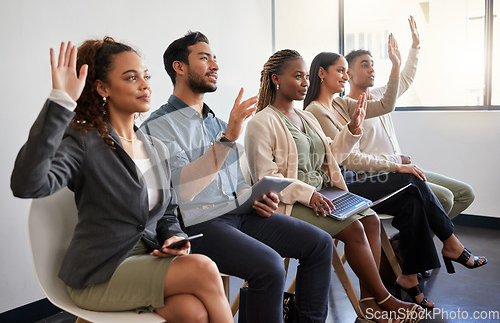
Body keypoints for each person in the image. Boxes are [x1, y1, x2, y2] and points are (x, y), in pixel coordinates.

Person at [11, 38, 233, 323]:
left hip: (146, 260)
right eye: (131, 77)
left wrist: (174, 237)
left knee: (192, 312)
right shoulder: (83, 141)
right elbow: (27, 184)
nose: (145, 84)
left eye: (146, 76)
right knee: (203, 268)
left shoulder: (155, 147)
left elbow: (167, 212)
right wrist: (61, 102)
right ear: (103, 88)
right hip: (99, 272)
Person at [141, 31, 334, 323]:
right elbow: (184, 191)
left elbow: (239, 184)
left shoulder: (217, 122)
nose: (214, 65)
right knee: (269, 265)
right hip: (196, 222)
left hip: (239, 213)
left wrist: (260, 198)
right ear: (179, 67)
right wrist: (228, 138)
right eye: (204, 58)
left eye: (215, 58)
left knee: (319, 243)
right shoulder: (159, 125)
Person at [302, 32, 487, 310]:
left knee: (413, 199)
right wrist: (396, 164)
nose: (344, 76)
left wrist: (397, 64)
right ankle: (451, 244)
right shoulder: (316, 112)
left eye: (345, 71)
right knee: (411, 178)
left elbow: (387, 104)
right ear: (321, 74)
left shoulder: (341, 104)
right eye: (340, 70)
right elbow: (349, 160)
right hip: (345, 186)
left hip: (361, 179)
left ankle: (409, 276)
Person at [245, 48, 425, 323]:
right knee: (353, 228)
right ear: (275, 79)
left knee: (371, 221)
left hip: (324, 194)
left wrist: (352, 130)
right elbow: (266, 178)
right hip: (292, 203)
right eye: (297, 76)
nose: (305, 82)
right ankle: (385, 298)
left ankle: (368, 301)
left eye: (306, 76)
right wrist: (309, 194)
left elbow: (331, 156)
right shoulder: (261, 122)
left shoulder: (306, 117)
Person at [345, 16, 475, 220]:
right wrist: (395, 161)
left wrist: (415, 46)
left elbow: (405, 78)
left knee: (465, 194)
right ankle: (411, 245)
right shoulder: (344, 108)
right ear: (348, 73)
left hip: (401, 169)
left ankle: (401, 244)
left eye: (372, 64)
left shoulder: (381, 96)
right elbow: (354, 160)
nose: (371, 69)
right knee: (446, 199)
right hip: (377, 176)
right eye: (364, 65)